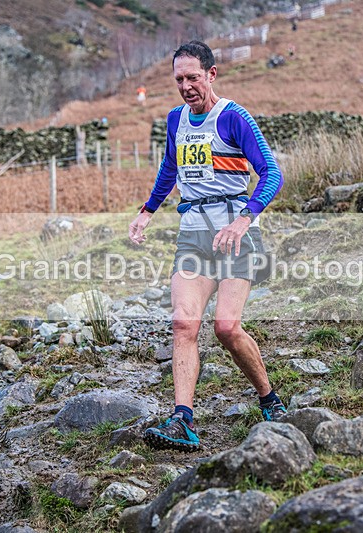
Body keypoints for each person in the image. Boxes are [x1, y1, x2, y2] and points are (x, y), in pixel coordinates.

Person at [128, 40, 286, 452]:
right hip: (194, 233)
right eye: (179, 79)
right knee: (184, 323)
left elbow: (271, 173)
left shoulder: (234, 117)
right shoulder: (175, 119)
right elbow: (170, 167)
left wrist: (244, 218)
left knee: (226, 328)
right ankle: (182, 419)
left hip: (236, 234)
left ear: (212, 74)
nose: (185, 86)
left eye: (193, 77)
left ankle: (269, 399)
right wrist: (148, 210)